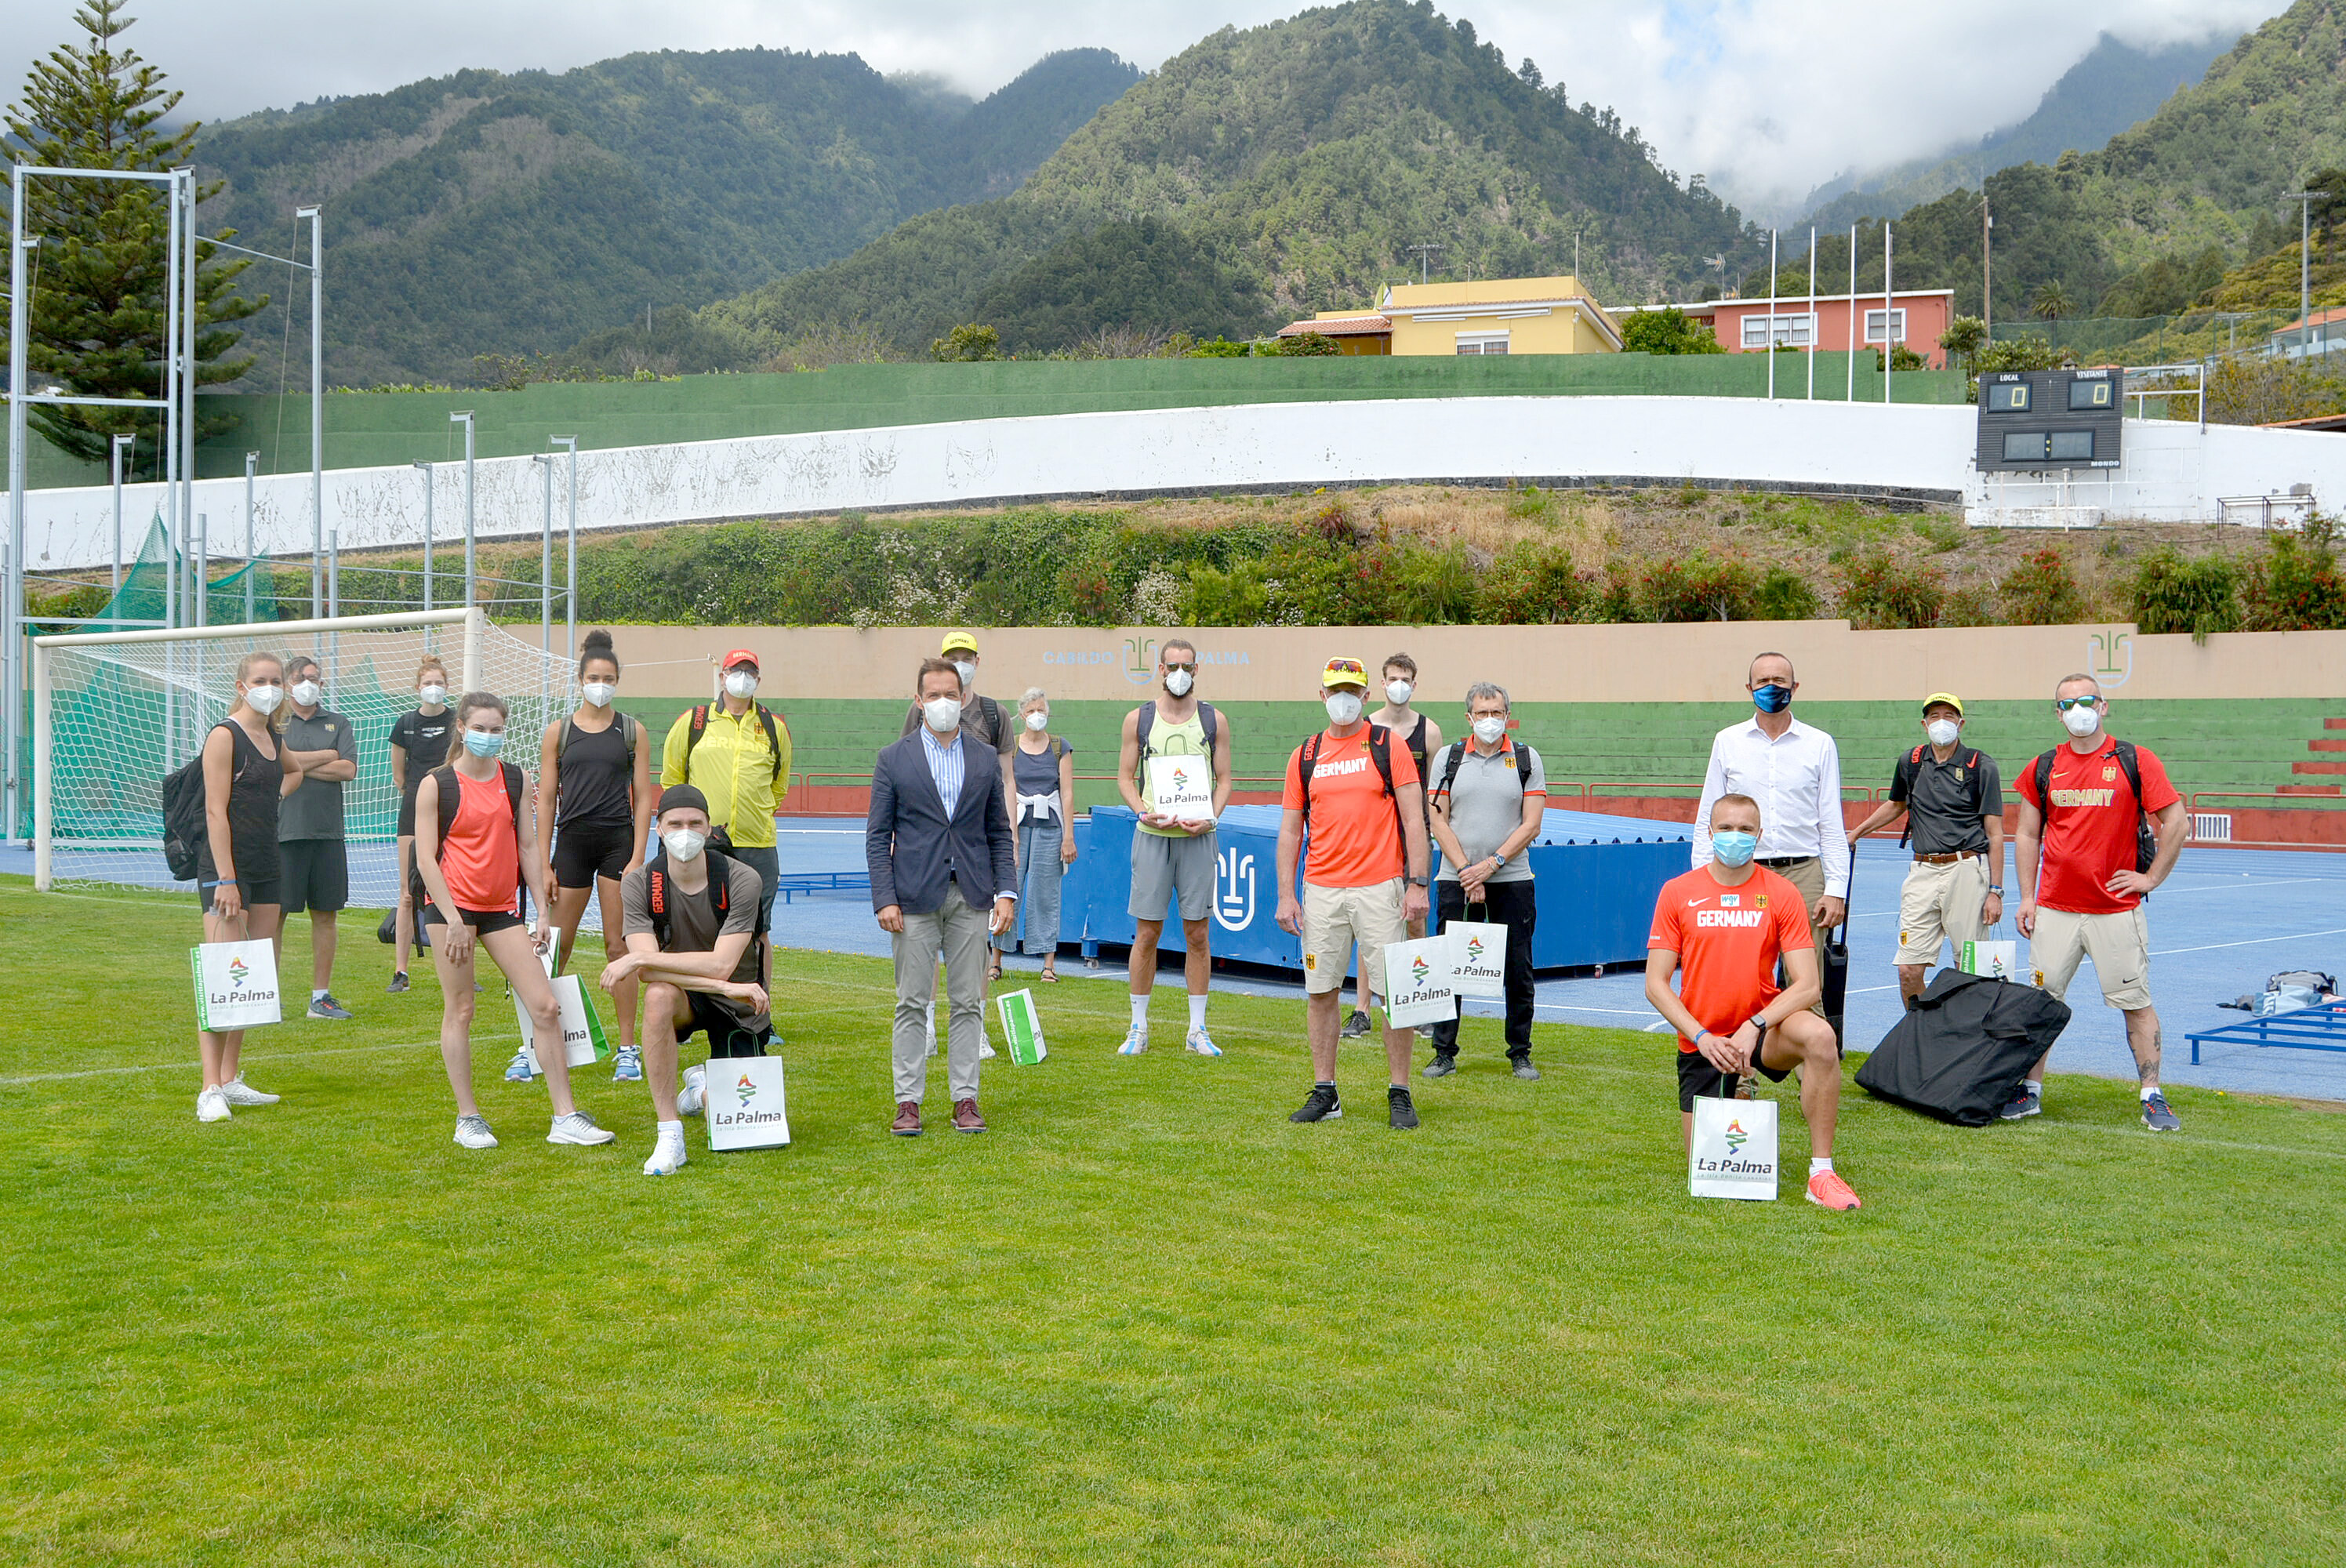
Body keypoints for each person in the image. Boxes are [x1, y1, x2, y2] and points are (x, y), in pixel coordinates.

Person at [413, 691, 616, 1152]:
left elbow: (527, 846)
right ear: (461, 728)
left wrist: (541, 912)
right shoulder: (436, 784)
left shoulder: (516, 778)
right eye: (479, 728)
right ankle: (468, 1118)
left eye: (496, 729)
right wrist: (453, 920)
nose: (488, 736)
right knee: (461, 1009)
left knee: (545, 1007)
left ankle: (565, 1116)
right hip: (451, 910)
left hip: (502, 909)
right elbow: (426, 859)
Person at [1645, 793, 1862, 1210]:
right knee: (1706, 1167)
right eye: (1726, 828)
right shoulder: (1678, 892)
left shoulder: (1781, 893)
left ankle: (1822, 1174)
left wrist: (1755, 1025)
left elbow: (1809, 985)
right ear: (1710, 833)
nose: (1736, 836)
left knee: (1820, 1037)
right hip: (1703, 1041)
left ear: (1759, 835)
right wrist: (1702, 1036)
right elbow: (1656, 984)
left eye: (1745, 829)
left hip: (1764, 1032)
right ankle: (1736, 1096)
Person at [2010, 673, 2188, 1131]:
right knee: (2041, 1004)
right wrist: (2027, 897)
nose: (2078, 711)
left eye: (2086, 701)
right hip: (2055, 910)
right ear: (2057, 714)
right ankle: (2030, 1091)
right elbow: (2027, 834)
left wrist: (2151, 878)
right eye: (2067, 704)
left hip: (2115, 910)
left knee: (2135, 1002)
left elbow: (2176, 821)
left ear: (2103, 706)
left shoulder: (2134, 759)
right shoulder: (2044, 766)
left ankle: (2152, 1095)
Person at [1274, 656, 1432, 1131]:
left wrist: (1418, 883)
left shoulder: (1388, 745)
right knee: (1321, 991)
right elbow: (1290, 831)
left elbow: (1414, 819)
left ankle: (1400, 1092)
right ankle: (1326, 1092)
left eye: (1352, 691)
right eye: (1335, 691)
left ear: (1366, 696)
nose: (1343, 699)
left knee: (1394, 994)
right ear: (1322, 695)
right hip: (1321, 890)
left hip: (1380, 887)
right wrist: (1286, 895)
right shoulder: (1305, 754)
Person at [868, 658, 1019, 1135]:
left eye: (950, 695)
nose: (943, 703)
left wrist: (1006, 891)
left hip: (972, 896)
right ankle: (908, 1102)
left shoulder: (983, 758)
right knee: (912, 1003)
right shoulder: (893, 758)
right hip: (912, 898)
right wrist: (884, 898)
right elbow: (878, 836)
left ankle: (965, 1099)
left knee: (969, 1003)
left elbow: (999, 831)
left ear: (963, 697)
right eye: (933, 695)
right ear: (919, 701)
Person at [603, 786, 773, 1178]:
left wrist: (641, 956)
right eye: (675, 823)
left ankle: (699, 1088)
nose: (685, 832)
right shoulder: (639, 883)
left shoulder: (742, 878)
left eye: (695, 823)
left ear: (709, 828)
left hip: (739, 1002)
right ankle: (670, 1134)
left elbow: (721, 964)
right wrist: (722, 984)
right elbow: (649, 975)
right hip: (694, 994)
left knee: (745, 1125)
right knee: (658, 996)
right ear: (659, 829)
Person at [535, 630, 655, 1085]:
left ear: (617, 681)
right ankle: (534, 1045)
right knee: (555, 948)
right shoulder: (559, 732)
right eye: (593, 678)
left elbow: (643, 798)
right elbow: (546, 800)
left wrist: (638, 855)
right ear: (580, 680)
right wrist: (544, 863)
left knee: (618, 946)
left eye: (608, 679)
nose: (600, 685)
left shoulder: (632, 731)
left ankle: (627, 1049)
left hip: (617, 846)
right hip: (571, 845)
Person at [1691, 652, 1850, 974]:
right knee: (1741, 973)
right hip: (1743, 874)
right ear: (1749, 688)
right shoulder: (1727, 741)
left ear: (1795, 687)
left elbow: (1832, 823)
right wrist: (1702, 879)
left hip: (1804, 874)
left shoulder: (1819, 744)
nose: (1771, 687)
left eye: (1779, 680)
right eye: (1763, 681)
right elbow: (1708, 815)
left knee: (1805, 981)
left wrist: (1836, 890)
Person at [193, 652, 301, 1123]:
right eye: (260, 680)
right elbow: (215, 812)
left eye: (276, 680)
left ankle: (231, 1077)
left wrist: (273, 796)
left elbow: (293, 771)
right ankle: (209, 1087)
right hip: (226, 871)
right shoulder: (225, 735)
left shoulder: (274, 737)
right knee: (223, 977)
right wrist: (227, 879)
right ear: (241, 686)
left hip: (267, 866)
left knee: (252, 979)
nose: (269, 688)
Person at [1115, 636, 1234, 1057]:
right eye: (1173, 666)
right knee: (1147, 933)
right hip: (1152, 838)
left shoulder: (1214, 720)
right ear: (1161, 670)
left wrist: (1211, 818)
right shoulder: (1139, 719)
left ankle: (1197, 1029)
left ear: (1196, 670)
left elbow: (1225, 780)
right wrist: (1141, 811)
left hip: (1198, 839)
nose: (1179, 673)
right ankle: (1138, 1027)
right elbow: (1125, 778)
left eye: (1187, 666)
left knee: (1197, 933)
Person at [1848, 692, 2006, 1007]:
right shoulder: (1911, 762)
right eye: (1934, 716)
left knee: (1972, 967)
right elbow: (1896, 804)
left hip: (1966, 868)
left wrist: (1996, 891)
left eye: (1949, 716)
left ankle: (1968, 1032)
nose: (1941, 722)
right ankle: (1918, 1029)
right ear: (1924, 724)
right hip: (1922, 871)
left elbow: (1995, 833)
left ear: (1961, 723)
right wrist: (1855, 833)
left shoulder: (1981, 765)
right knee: (1908, 969)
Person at [1424, 681, 1546, 1080]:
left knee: (1518, 968)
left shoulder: (1526, 759)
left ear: (1507, 715)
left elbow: (1531, 825)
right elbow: (1438, 821)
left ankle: (1520, 1053)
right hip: (1455, 878)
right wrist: (1467, 871)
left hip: (1512, 878)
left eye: (1496, 712)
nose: (1489, 720)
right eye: (1482, 713)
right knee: (1449, 966)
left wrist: (1490, 866)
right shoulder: (1449, 758)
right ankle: (1443, 1052)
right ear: (1469, 717)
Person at [1345, 652, 1446, 1037]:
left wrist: (1432, 833)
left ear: (1414, 685)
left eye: (1405, 679)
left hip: (1414, 837)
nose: (1398, 685)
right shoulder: (1365, 726)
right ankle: (1362, 1010)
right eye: (1392, 679)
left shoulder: (1429, 732)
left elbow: (1435, 794)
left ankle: (1419, 1007)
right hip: (1373, 839)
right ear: (1382, 684)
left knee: (1416, 920)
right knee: (1368, 923)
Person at [661, 647, 791, 942]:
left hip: (757, 844)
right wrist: (691, 826)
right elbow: (672, 781)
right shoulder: (694, 721)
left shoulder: (774, 727)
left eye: (750, 672)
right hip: (704, 843)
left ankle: (755, 976)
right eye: (736, 671)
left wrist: (756, 813)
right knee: (698, 927)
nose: (742, 677)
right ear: (723, 677)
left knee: (758, 931)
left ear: (758, 679)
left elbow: (779, 785)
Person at [275, 652, 359, 1022]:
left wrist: (294, 764)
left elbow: (348, 769)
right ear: (287, 684)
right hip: (283, 833)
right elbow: (274, 765)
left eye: (314, 678)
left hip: (328, 834)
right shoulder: (275, 722)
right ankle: (267, 995)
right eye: (300, 678)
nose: (307, 684)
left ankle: (320, 999)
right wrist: (325, 756)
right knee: (274, 917)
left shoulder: (338, 722)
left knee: (325, 916)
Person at [996, 688, 1078, 984]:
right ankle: (996, 960)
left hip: (1050, 829)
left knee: (1046, 896)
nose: (1036, 715)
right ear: (1021, 714)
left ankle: (1048, 965)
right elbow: (1005, 786)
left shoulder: (1060, 747)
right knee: (1007, 892)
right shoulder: (1011, 747)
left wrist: (1068, 836)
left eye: (1041, 710)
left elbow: (1067, 794)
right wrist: (1009, 834)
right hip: (1016, 828)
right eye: (1031, 711)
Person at [386, 655, 455, 993]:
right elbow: (399, 776)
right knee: (407, 893)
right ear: (417, 687)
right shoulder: (405, 724)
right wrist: (421, 796)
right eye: (428, 683)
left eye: (439, 683)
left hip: (450, 809)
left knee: (453, 890)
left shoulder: (457, 720)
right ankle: (401, 972)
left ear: (447, 686)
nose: (433, 688)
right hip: (413, 812)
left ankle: (460, 968)